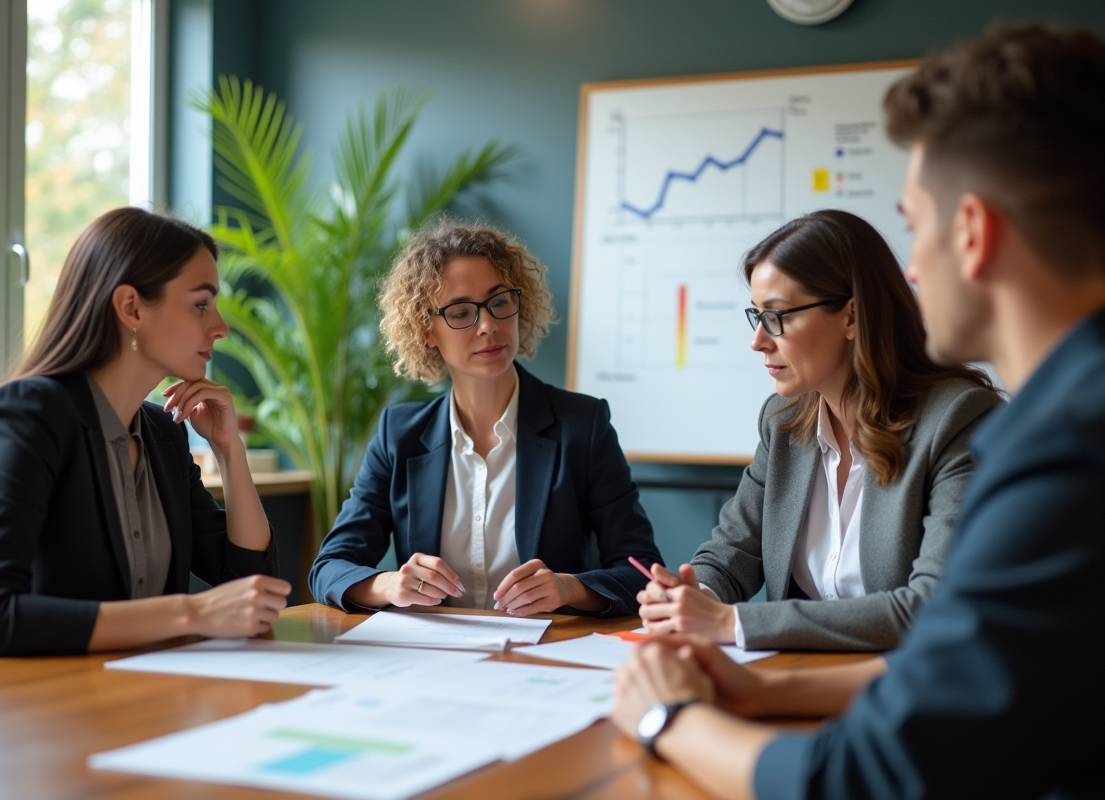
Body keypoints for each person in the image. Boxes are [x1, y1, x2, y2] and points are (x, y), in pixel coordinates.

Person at [611, 23, 1105, 800]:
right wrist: (755, 681)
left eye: (916, 224)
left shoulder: (1053, 444)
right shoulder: (1061, 414)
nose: (913, 267)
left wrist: (667, 718)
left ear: (972, 233)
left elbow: (872, 767)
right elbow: (956, 669)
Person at [0, 207, 290, 668]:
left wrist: (229, 448)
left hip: (105, 692)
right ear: (131, 307)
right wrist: (190, 613)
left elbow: (249, 583)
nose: (220, 327)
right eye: (201, 304)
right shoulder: (30, 413)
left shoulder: (163, 433)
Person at [637, 209, 999, 651]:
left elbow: (929, 605)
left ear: (851, 317)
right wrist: (695, 596)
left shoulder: (956, 420)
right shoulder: (783, 421)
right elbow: (733, 552)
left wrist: (731, 622)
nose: (758, 341)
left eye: (778, 316)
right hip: (792, 672)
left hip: (902, 681)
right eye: (757, 316)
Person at [309, 220, 662, 617]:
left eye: (500, 302)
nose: (489, 326)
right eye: (461, 312)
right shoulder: (398, 434)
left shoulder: (583, 425)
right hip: (434, 650)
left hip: (548, 649)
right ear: (427, 330)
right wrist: (390, 584)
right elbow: (329, 567)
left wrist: (568, 588)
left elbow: (643, 571)